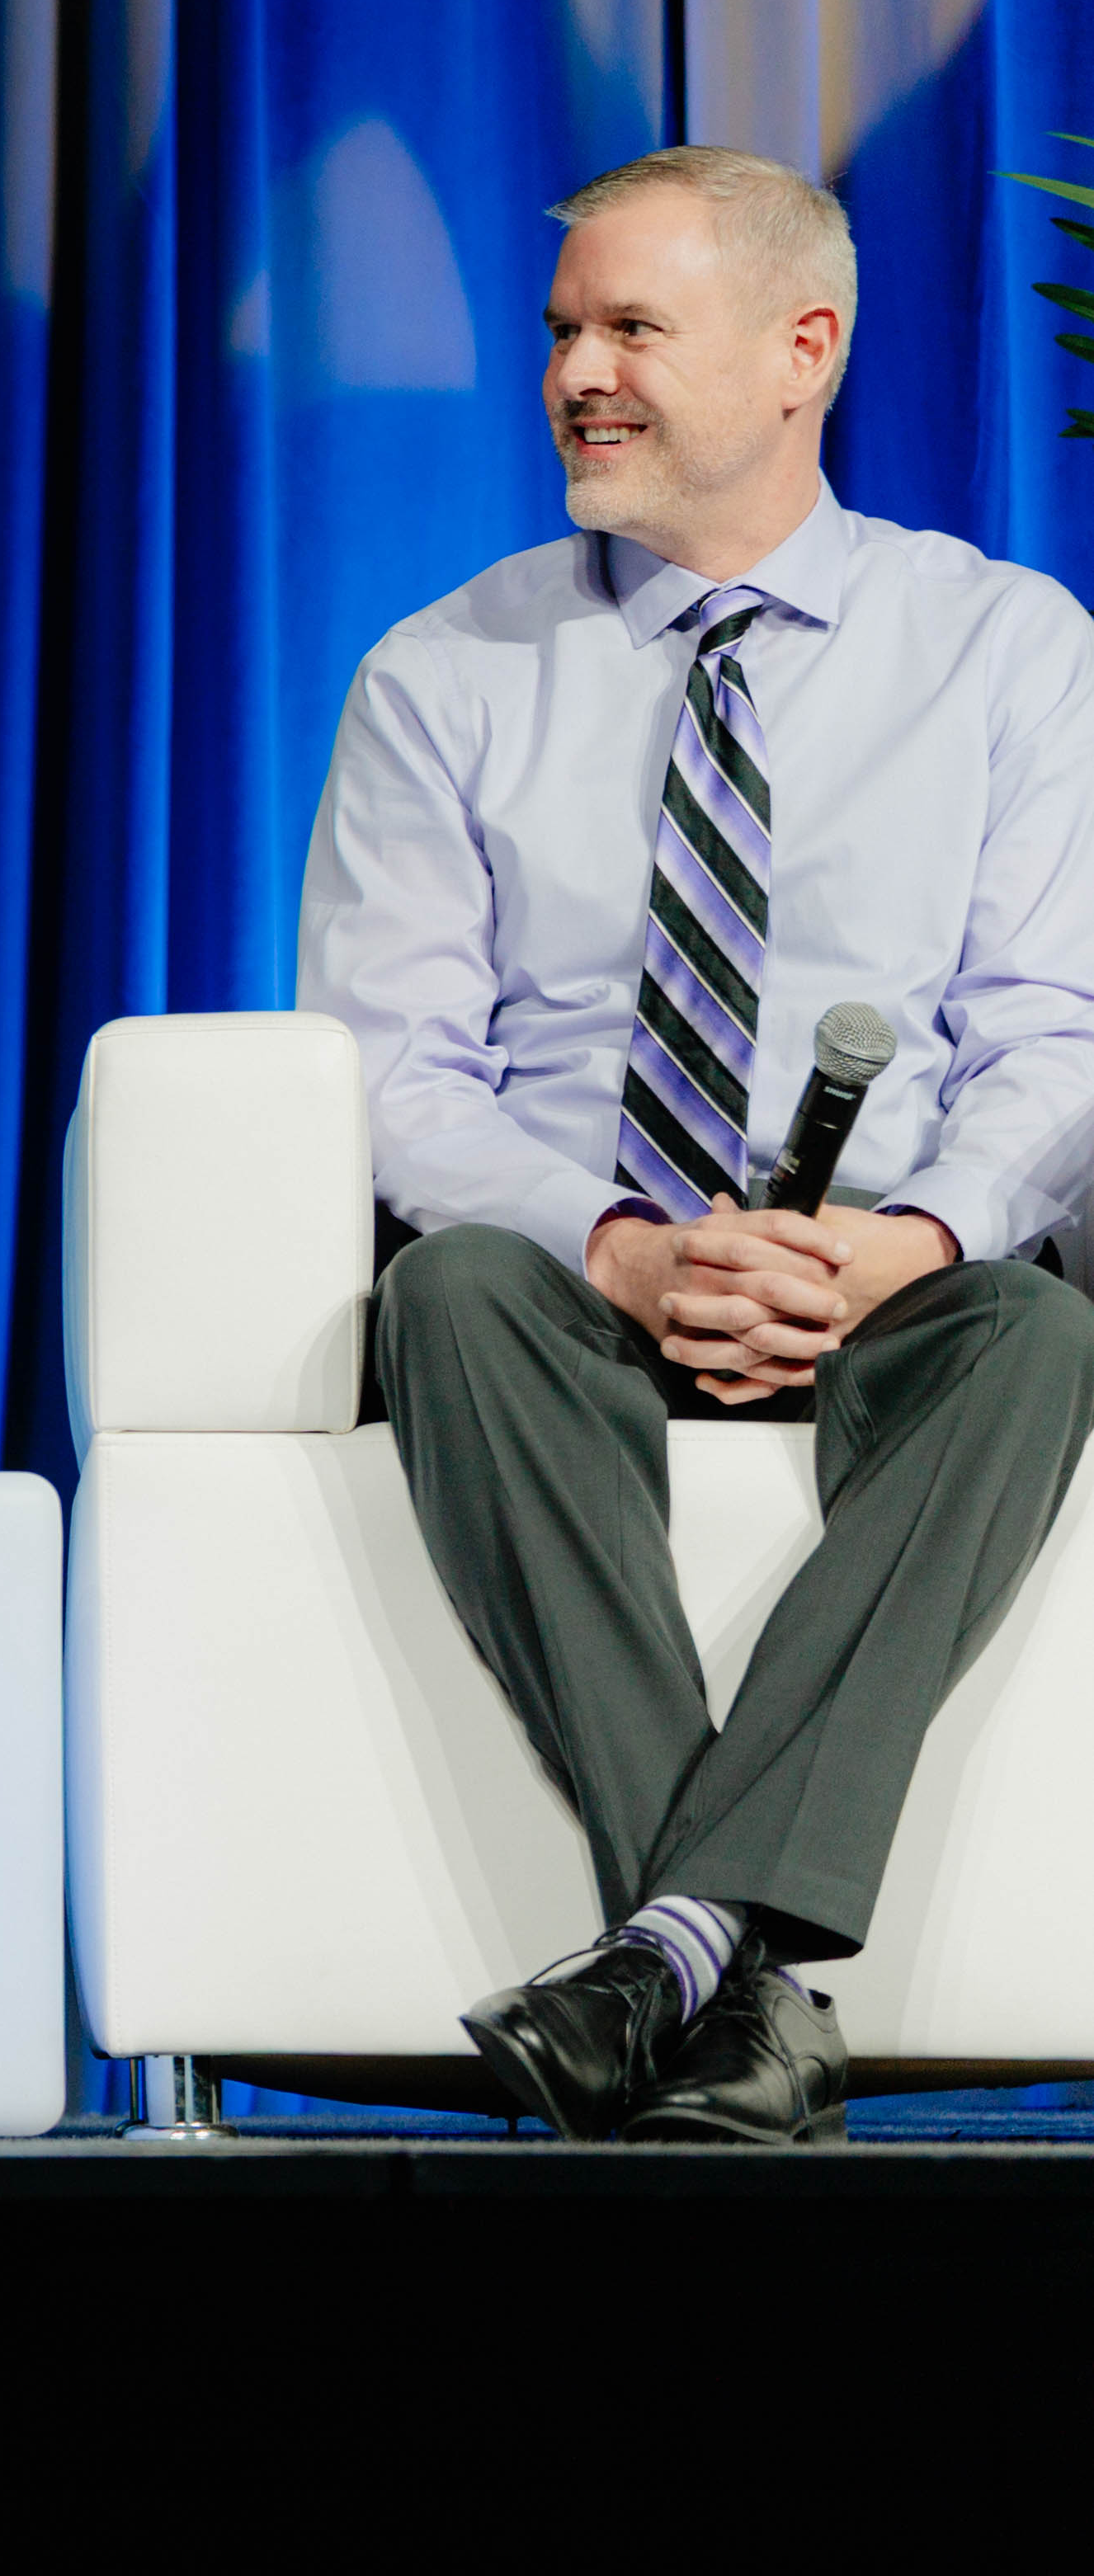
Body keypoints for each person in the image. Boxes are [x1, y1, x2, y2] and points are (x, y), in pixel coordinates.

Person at [304, 143, 1094, 2146]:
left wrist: (905, 1239)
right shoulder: (438, 671)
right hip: (574, 1285)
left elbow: (1049, 1032)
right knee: (447, 1290)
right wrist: (621, 1247)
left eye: (630, 327)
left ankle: (661, 1948)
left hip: (890, 1286)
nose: (576, 370)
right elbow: (389, 1072)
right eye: (564, 328)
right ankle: (731, 1970)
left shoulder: (1001, 647)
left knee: (1036, 1334)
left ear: (798, 348)